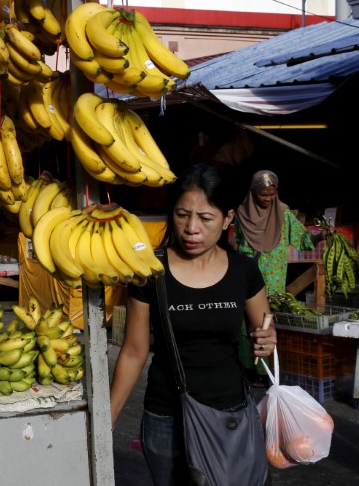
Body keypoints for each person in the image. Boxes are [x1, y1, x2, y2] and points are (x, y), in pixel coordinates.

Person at [109, 164, 276, 486]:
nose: (192, 228)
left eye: (206, 218)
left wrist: (267, 341)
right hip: (167, 415)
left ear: (228, 219)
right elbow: (133, 351)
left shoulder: (244, 270)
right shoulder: (150, 270)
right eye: (183, 215)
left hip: (229, 411)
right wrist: (109, 417)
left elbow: (266, 331)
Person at [232, 170, 315, 386]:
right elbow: (238, 242)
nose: (268, 199)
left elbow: (301, 238)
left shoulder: (284, 214)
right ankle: (247, 368)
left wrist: (321, 235)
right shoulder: (242, 214)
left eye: (272, 194)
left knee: (267, 323)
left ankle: (265, 371)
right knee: (245, 324)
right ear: (254, 192)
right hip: (247, 274)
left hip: (273, 278)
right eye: (263, 194)